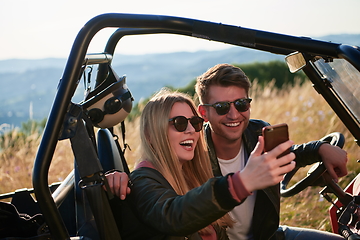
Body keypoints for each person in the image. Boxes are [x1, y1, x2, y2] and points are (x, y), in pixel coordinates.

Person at [106, 88, 296, 240]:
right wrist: (242, 182)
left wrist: (317, 149)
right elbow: (174, 215)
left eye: (195, 122)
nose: (191, 130)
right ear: (151, 133)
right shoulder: (141, 182)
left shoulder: (190, 176)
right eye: (179, 123)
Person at [194, 63, 348, 240]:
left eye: (241, 104)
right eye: (222, 107)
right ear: (204, 113)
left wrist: (320, 148)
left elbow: (290, 156)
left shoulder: (259, 132)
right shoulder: (194, 153)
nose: (234, 115)